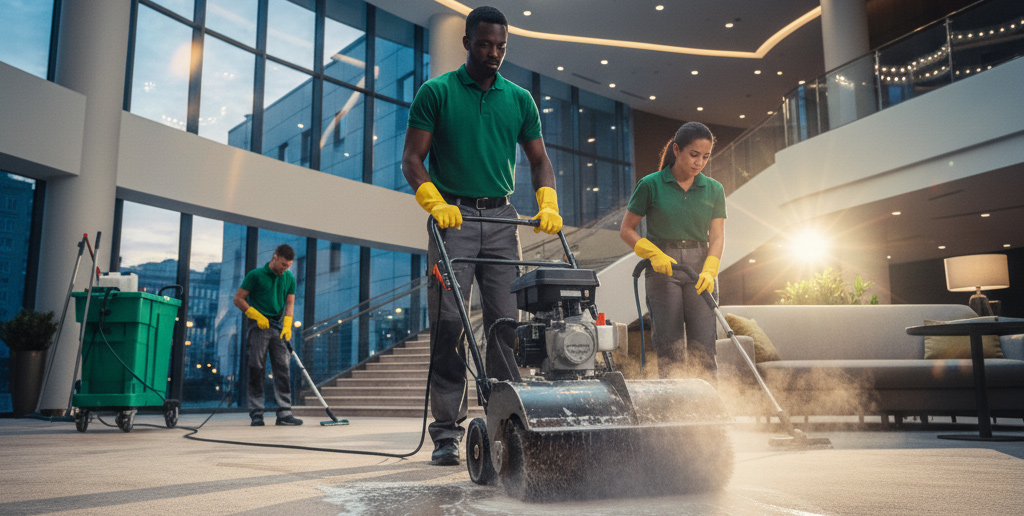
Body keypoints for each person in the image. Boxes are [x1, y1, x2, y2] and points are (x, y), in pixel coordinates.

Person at [401, 5, 562, 466]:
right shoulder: (437, 92)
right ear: (467, 42)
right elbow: (412, 159)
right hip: (453, 217)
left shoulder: (519, 99)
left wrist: (547, 201)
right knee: (449, 324)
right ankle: (447, 433)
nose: (494, 53)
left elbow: (538, 160)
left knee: (505, 326)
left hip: (502, 220)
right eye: (486, 44)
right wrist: (434, 201)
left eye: (501, 47)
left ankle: (505, 420)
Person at [620, 122, 726, 382]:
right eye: (693, 154)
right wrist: (652, 253)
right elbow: (627, 229)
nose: (699, 162)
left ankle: (709, 416)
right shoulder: (651, 184)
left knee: (704, 347)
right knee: (670, 348)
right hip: (662, 270)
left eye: (705, 156)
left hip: (700, 268)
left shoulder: (714, 189)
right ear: (677, 150)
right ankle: (675, 416)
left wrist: (710, 270)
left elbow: (718, 235)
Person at [233, 244, 303, 427]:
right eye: (283, 264)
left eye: (288, 265)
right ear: (274, 257)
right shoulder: (255, 275)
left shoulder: (289, 277)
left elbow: (289, 303)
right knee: (256, 367)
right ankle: (257, 413)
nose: (285, 268)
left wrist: (287, 324)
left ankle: (285, 413)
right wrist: (254, 314)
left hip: (279, 326)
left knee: (283, 368)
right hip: (258, 326)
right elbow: (238, 299)